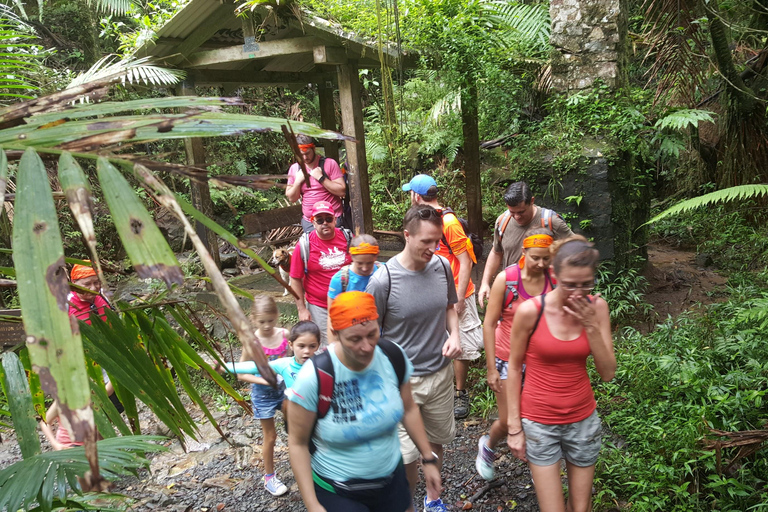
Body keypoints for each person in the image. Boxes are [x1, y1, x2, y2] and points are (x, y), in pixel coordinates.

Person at [287, 292, 442, 512]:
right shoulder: (314, 377)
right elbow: (297, 443)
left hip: (391, 480)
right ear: (335, 334)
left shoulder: (392, 357)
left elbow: (408, 409)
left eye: (372, 334)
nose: (367, 346)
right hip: (338, 489)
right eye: (355, 339)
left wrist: (428, 459)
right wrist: (312, 504)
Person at [506, 236, 616, 512]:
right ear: (553, 274)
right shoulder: (531, 311)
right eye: (569, 285)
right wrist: (514, 427)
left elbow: (607, 373)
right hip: (539, 421)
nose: (578, 293)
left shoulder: (598, 308)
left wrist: (590, 326)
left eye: (585, 285)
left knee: (581, 507)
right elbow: (514, 367)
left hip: (582, 420)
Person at [366, 204, 462, 512]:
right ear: (407, 236)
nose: (433, 248)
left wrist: (456, 336)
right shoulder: (384, 281)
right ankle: (405, 505)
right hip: (401, 382)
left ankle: (433, 500)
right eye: (426, 242)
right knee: (406, 455)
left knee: (436, 442)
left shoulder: (442, 267)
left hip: (440, 373)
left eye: (437, 241)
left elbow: (450, 306)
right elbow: (371, 333)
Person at [475, 228, 556, 481]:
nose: (541, 263)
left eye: (546, 258)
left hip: (539, 361)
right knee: (510, 418)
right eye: (535, 258)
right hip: (507, 358)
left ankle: (539, 466)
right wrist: (490, 368)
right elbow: (489, 324)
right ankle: (488, 446)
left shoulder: (555, 280)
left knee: (538, 416)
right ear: (524, 252)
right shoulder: (506, 280)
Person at [403, 174, 483, 420]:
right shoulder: (423, 219)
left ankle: (460, 392)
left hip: (457, 291)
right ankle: (440, 389)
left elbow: (465, 260)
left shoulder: (448, 222)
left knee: (465, 342)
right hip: (432, 291)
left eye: (410, 193)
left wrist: (458, 298)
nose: (409, 197)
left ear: (417, 196)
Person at [478, 182, 572, 308]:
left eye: (521, 212)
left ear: (532, 201)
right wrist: (485, 282)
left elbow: (575, 249)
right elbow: (496, 252)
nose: (516, 217)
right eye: (512, 212)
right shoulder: (503, 221)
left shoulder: (551, 221)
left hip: (545, 293)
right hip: (513, 292)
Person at [232, 296, 291, 496]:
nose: (266, 326)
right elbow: (241, 373)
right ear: (253, 319)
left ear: (277, 317)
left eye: (270, 321)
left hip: (285, 391)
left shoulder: (285, 335)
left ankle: (308, 463)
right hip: (263, 395)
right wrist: (265, 380)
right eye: (262, 321)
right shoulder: (252, 342)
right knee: (271, 436)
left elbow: (291, 361)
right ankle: (269, 478)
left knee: (298, 428)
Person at [290, 201, 352, 348]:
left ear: (335, 219)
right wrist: (302, 309)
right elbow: (295, 278)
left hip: (347, 302)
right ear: (313, 222)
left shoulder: (347, 237)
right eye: (320, 220)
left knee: (349, 343)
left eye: (329, 219)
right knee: (325, 347)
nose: (325, 223)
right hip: (320, 306)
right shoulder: (305, 245)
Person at [285, 134, 346, 233]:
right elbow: (292, 198)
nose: (305, 157)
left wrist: (321, 178)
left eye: (307, 153)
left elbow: (342, 191)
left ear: (313, 149)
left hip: (332, 219)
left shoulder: (329, 164)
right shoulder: (295, 169)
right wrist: (297, 181)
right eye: (301, 154)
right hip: (310, 222)